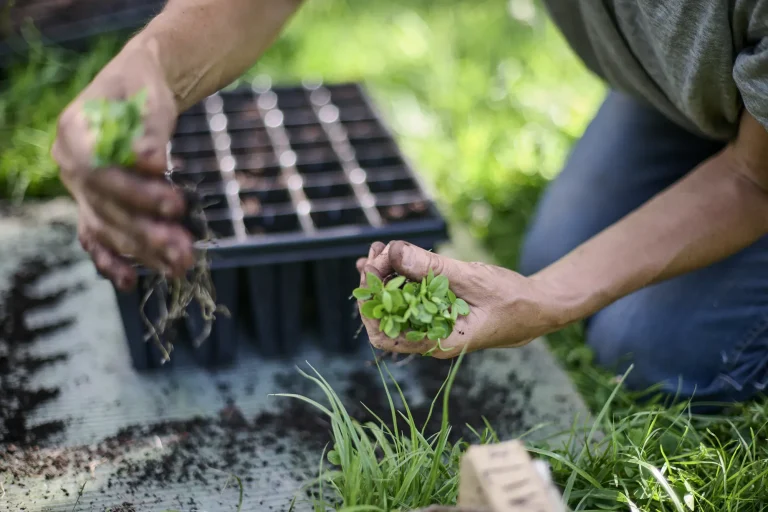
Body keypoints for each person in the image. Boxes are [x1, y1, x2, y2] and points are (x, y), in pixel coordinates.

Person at [53, 0, 768, 405]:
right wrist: (146, 67)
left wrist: (545, 298)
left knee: (657, 345)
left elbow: (752, 178)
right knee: (562, 253)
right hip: (709, 93)